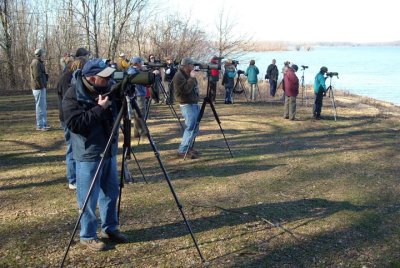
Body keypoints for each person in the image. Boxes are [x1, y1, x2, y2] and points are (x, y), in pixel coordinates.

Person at [62, 58, 128, 251]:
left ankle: (110, 228)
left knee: (111, 192)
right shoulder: (73, 94)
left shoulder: (106, 89)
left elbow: (117, 115)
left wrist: (120, 97)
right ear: (91, 78)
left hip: (108, 150)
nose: (109, 80)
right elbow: (75, 125)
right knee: (88, 197)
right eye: (104, 77)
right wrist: (100, 108)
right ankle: (88, 235)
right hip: (88, 153)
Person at [56, 57, 87, 190]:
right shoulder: (66, 79)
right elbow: (66, 98)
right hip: (68, 116)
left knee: (78, 146)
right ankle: (72, 179)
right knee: (71, 147)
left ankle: (78, 176)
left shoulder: (73, 77)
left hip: (73, 115)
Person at [173, 57, 200, 159]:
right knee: (190, 127)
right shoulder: (178, 76)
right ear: (187, 66)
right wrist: (192, 78)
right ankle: (183, 150)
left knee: (195, 127)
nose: (193, 66)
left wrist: (192, 77)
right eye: (192, 65)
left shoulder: (187, 74)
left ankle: (188, 147)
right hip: (187, 104)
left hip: (193, 103)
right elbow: (185, 90)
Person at [127, 57, 148, 138]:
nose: (142, 63)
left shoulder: (136, 70)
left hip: (140, 93)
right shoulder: (132, 71)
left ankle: (137, 132)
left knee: (138, 113)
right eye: (140, 62)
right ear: (136, 63)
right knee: (140, 113)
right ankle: (141, 131)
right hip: (138, 94)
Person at [30, 48, 50, 131]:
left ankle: (43, 124)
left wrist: (46, 77)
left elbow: (41, 75)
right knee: (40, 107)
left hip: (40, 87)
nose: (44, 56)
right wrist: (42, 86)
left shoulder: (39, 62)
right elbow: (37, 77)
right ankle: (40, 125)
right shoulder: (36, 63)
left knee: (43, 106)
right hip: (38, 88)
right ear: (39, 55)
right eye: (43, 54)